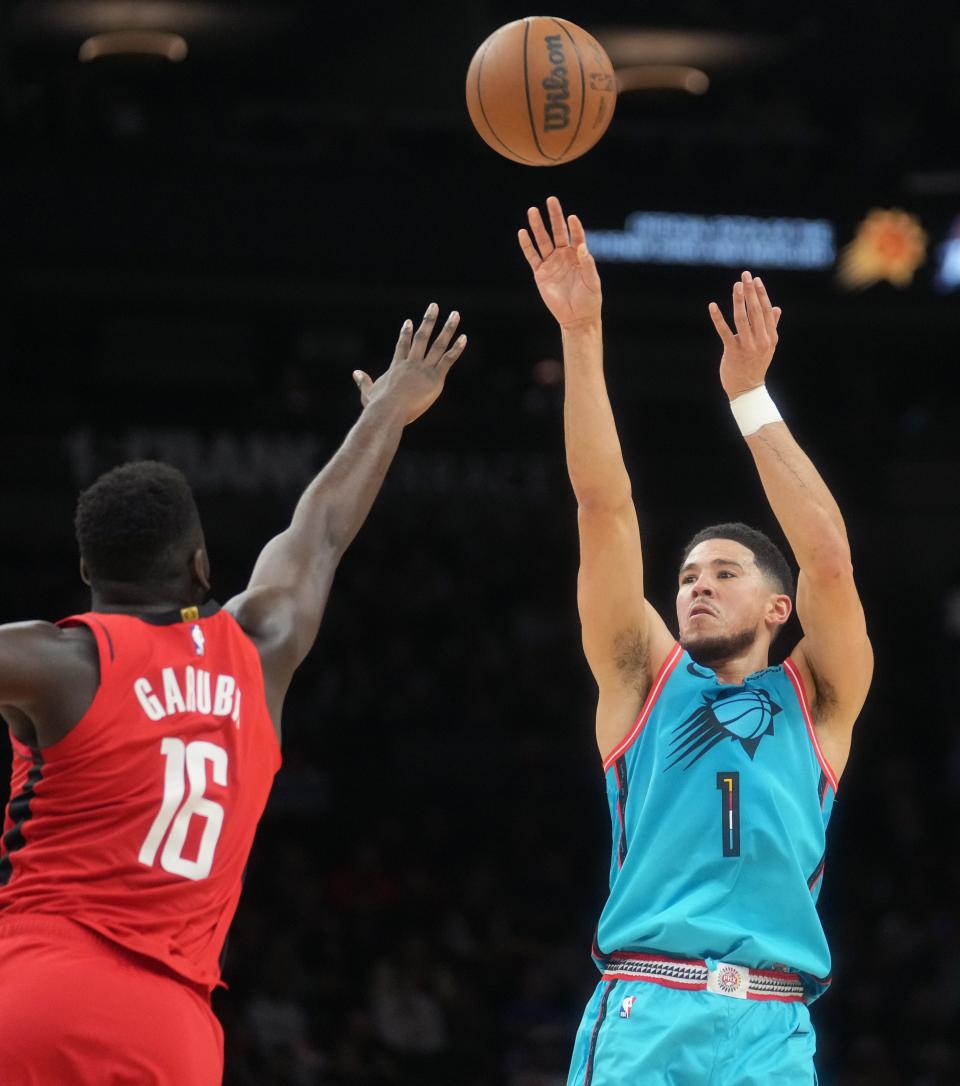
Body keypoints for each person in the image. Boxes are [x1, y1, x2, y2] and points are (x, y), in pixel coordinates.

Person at [0, 304, 466, 1085]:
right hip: (170, 1029)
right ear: (203, 565)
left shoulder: (57, 661)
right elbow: (321, 529)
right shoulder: (259, 646)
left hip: (35, 986)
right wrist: (390, 408)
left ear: (86, 575)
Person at [519, 197, 873, 1084]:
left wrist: (749, 397)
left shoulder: (819, 697)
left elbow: (828, 559)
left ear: (777, 609)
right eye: (685, 577)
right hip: (649, 1009)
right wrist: (582, 332)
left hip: (775, 1026)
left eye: (722, 573)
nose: (696, 586)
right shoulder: (644, 677)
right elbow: (603, 506)